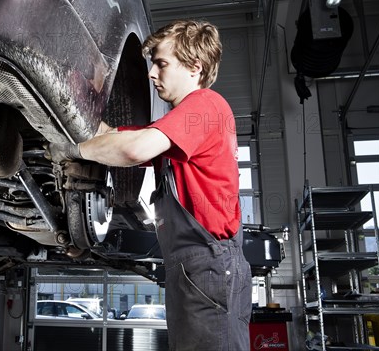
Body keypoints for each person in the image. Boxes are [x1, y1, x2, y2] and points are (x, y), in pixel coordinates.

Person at [46, 19, 251, 350]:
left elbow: (132, 149)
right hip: (200, 267)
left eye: (161, 63)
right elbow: (116, 138)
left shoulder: (204, 106)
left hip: (209, 265)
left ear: (194, 67)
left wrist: (72, 149)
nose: (151, 73)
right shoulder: (177, 129)